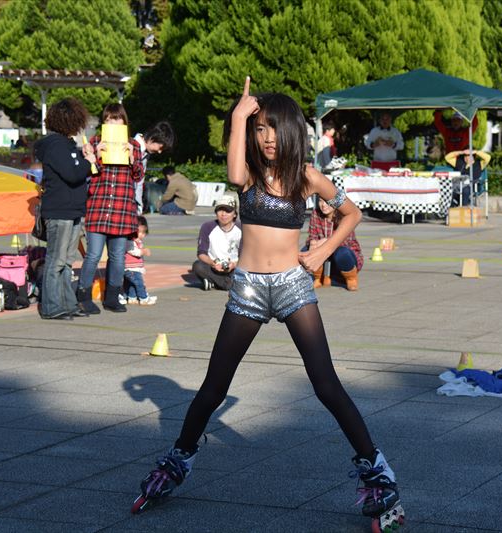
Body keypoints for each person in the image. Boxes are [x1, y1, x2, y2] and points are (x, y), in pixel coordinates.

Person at [132, 78, 404, 531]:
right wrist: (240, 115)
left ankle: (378, 473)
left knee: (326, 385)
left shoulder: (305, 177)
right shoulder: (249, 175)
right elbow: (234, 174)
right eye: (259, 129)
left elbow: (351, 213)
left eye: (273, 129)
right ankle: (178, 461)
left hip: (293, 286)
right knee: (213, 389)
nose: (267, 138)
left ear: (292, 130)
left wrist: (322, 250)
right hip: (248, 290)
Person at [76, 103, 145, 314]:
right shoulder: (95, 142)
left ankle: (112, 297)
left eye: (116, 119)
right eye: (108, 119)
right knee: (93, 254)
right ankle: (83, 296)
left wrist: (132, 158)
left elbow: (138, 176)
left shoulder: (133, 144)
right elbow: (87, 172)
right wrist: (95, 155)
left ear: (124, 121)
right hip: (98, 206)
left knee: (117, 256)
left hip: (122, 208)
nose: (113, 123)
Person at [33, 97, 96, 320]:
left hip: (72, 209)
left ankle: (68, 303)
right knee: (56, 261)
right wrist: (88, 162)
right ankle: (51, 307)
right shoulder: (56, 146)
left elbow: (76, 169)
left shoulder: (67, 145)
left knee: (67, 262)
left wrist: (84, 159)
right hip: (60, 210)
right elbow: (73, 174)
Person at [305, 196, 363, 291]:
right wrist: (312, 243)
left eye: (327, 202)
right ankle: (317, 277)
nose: (323, 205)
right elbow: (312, 235)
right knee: (305, 251)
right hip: (323, 254)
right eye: (320, 201)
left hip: (344, 255)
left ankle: (351, 278)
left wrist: (326, 242)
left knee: (342, 253)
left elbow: (346, 242)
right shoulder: (316, 213)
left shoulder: (345, 215)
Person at [191, 194, 242, 291]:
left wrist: (234, 264)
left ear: (234, 214)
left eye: (228, 211)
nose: (223, 214)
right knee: (198, 266)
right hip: (214, 266)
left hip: (235, 266)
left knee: (248, 270)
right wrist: (213, 263)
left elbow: (246, 255)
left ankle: (214, 282)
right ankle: (226, 284)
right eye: (220, 210)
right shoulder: (207, 227)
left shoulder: (242, 228)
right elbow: (201, 253)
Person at [134, 121, 176, 214]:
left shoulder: (145, 154)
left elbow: (139, 182)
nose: (160, 152)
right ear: (152, 138)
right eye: (160, 148)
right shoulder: (131, 147)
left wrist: (139, 206)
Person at [121, 216, 156, 305]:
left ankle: (132, 297)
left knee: (131, 283)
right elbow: (133, 251)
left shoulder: (138, 241)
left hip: (134, 267)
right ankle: (144, 298)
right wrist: (143, 251)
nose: (142, 235)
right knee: (139, 283)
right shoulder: (130, 240)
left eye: (144, 232)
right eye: (140, 232)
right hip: (131, 267)